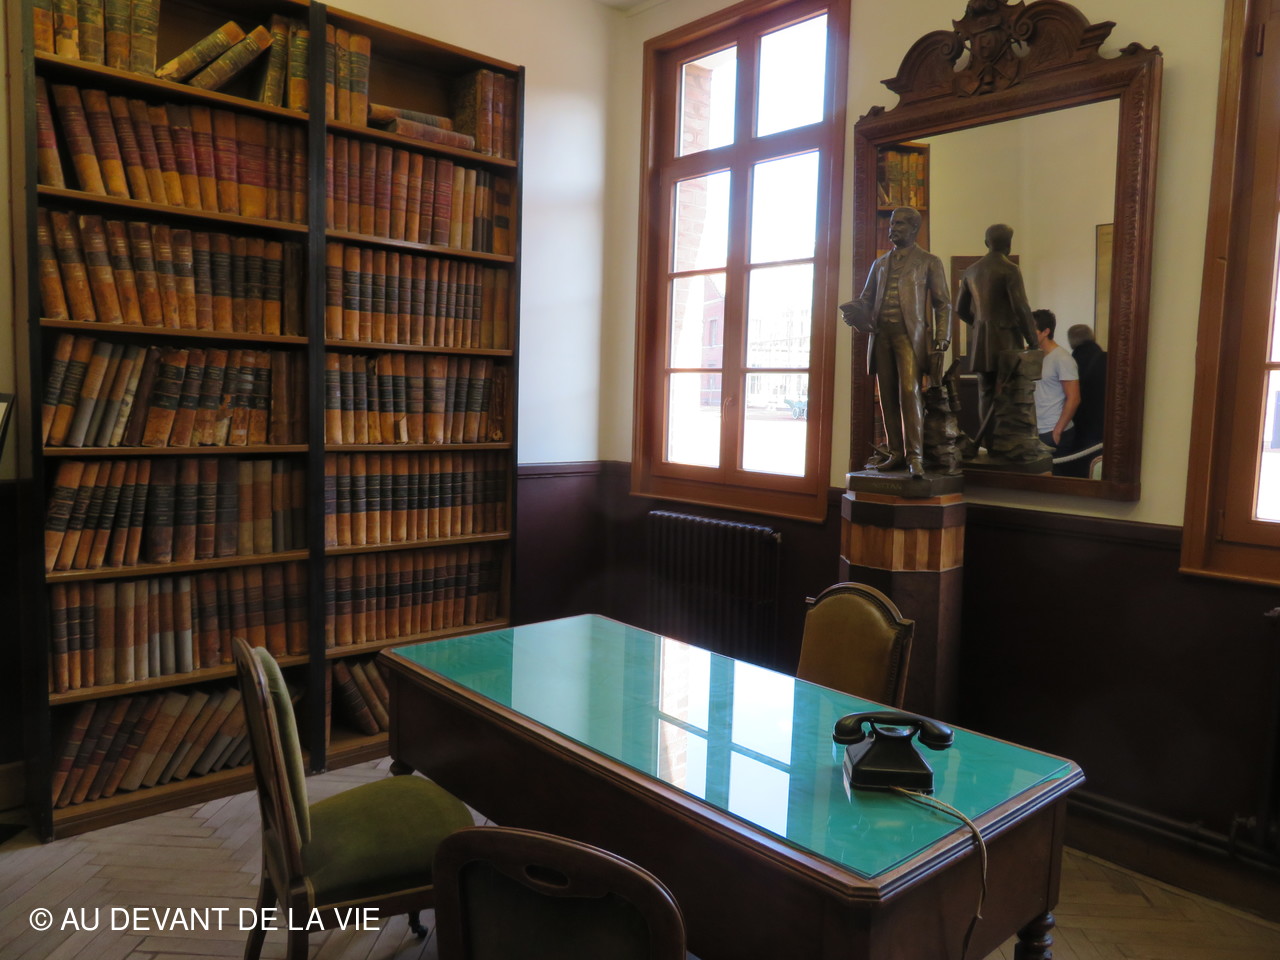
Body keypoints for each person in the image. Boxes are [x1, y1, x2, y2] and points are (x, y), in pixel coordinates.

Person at [840, 207, 951, 478]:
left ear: (914, 228)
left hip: (909, 336)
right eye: (892, 224)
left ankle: (915, 456)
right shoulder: (879, 264)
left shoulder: (929, 261)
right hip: (881, 336)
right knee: (887, 396)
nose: (893, 229)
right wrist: (853, 312)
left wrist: (942, 338)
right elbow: (866, 299)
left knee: (910, 393)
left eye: (900, 224)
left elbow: (943, 304)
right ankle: (896, 453)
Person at [954, 223, 1039, 452]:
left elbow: (960, 309)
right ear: (1009, 244)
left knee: (985, 391)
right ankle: (1008, 445)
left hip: (981, 341)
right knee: (1011, 392)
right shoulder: (1010, 269)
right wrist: (1033, 341)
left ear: (986, 243)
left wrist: (978, 324)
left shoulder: (971, 271)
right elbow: (1021, 307)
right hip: (1006, 339)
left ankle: (990, 444)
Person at [1033, 309, 1080, 466]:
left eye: (1032, 330)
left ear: (1046, 331)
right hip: (1036, 429)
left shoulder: (1062, 358)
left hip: (1052, 430)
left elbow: (1074, 398)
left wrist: (1058, 430)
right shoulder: (1035, 355)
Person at [1067, 323, 1106, 451]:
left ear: (1071, 341)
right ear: (1092, 336)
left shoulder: (1070, 362)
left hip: (1079, 422)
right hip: (1104, 421)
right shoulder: (1108, 359)